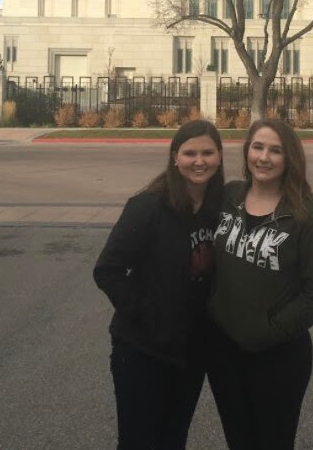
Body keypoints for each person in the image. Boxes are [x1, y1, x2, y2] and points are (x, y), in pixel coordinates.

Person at [93, 119, 225, 450]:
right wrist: (150, 316)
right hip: (142, 351)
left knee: (173, 439)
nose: (199, 161)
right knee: (140, 442)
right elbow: (107, 269)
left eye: (208, 153)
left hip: (191, 353)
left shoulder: (219, 209)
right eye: (190, 153)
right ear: (175, 157)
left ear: (220, 157)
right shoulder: (149, 206)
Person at [207, 118, 313, 450]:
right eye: (258, 147)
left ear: (289, 158)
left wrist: (267, 330)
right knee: (239, 440)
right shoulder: (228, 196)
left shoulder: (304, 215)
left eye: (275, 150)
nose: (264, 157)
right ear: (247, 150)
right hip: (224, 354)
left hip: (278, 358)